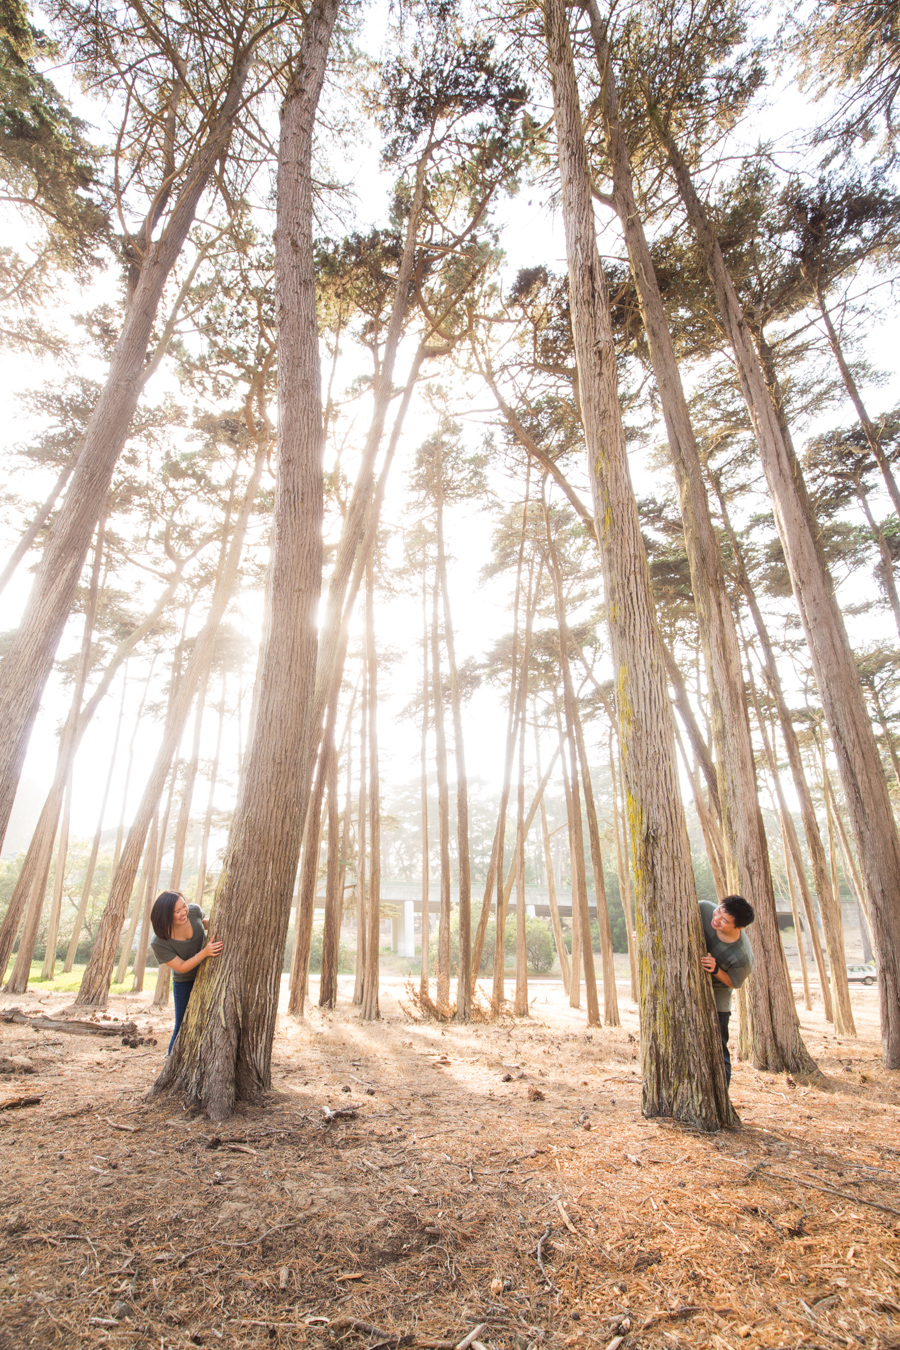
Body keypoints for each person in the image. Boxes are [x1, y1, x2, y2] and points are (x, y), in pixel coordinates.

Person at [150, 891, 223, 1054]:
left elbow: (204, 923)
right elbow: (181, 966)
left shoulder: (194, 911)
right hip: (185, 982)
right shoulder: (159, 942)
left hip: (210, 974)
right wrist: (205, 952)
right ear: (165, 915)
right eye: (177, 911)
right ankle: (172, 1059)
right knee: (182, 1024)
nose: (183, 912)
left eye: (184, 906)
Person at [699, 895, 755, 1088]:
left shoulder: (743, 957)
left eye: (724, 921)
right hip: (691, 988)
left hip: (717, 998)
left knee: (717, 1048)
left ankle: (721, 1094)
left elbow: (734, 983)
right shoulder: (705, 909)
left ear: (738, 927)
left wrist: (716, 970)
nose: (717, 919)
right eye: (719, 911)